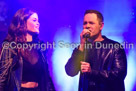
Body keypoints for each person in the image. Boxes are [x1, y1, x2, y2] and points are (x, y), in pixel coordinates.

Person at [65, 10, 127, 91]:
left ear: (101, 26)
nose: (87, 26)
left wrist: (92, 72)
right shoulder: (82, 48)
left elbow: (119, 74)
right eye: (85, 23)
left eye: (91, 23)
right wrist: (82, 46)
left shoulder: (115, 47)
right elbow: (70, 71)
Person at [0, 8, 55, 91]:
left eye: (38, 21)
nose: (38, 23)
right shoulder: (11, 46)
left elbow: (47, 76)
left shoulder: (40, 47)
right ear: (23, 22)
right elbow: (2, 77)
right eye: (34, 20)